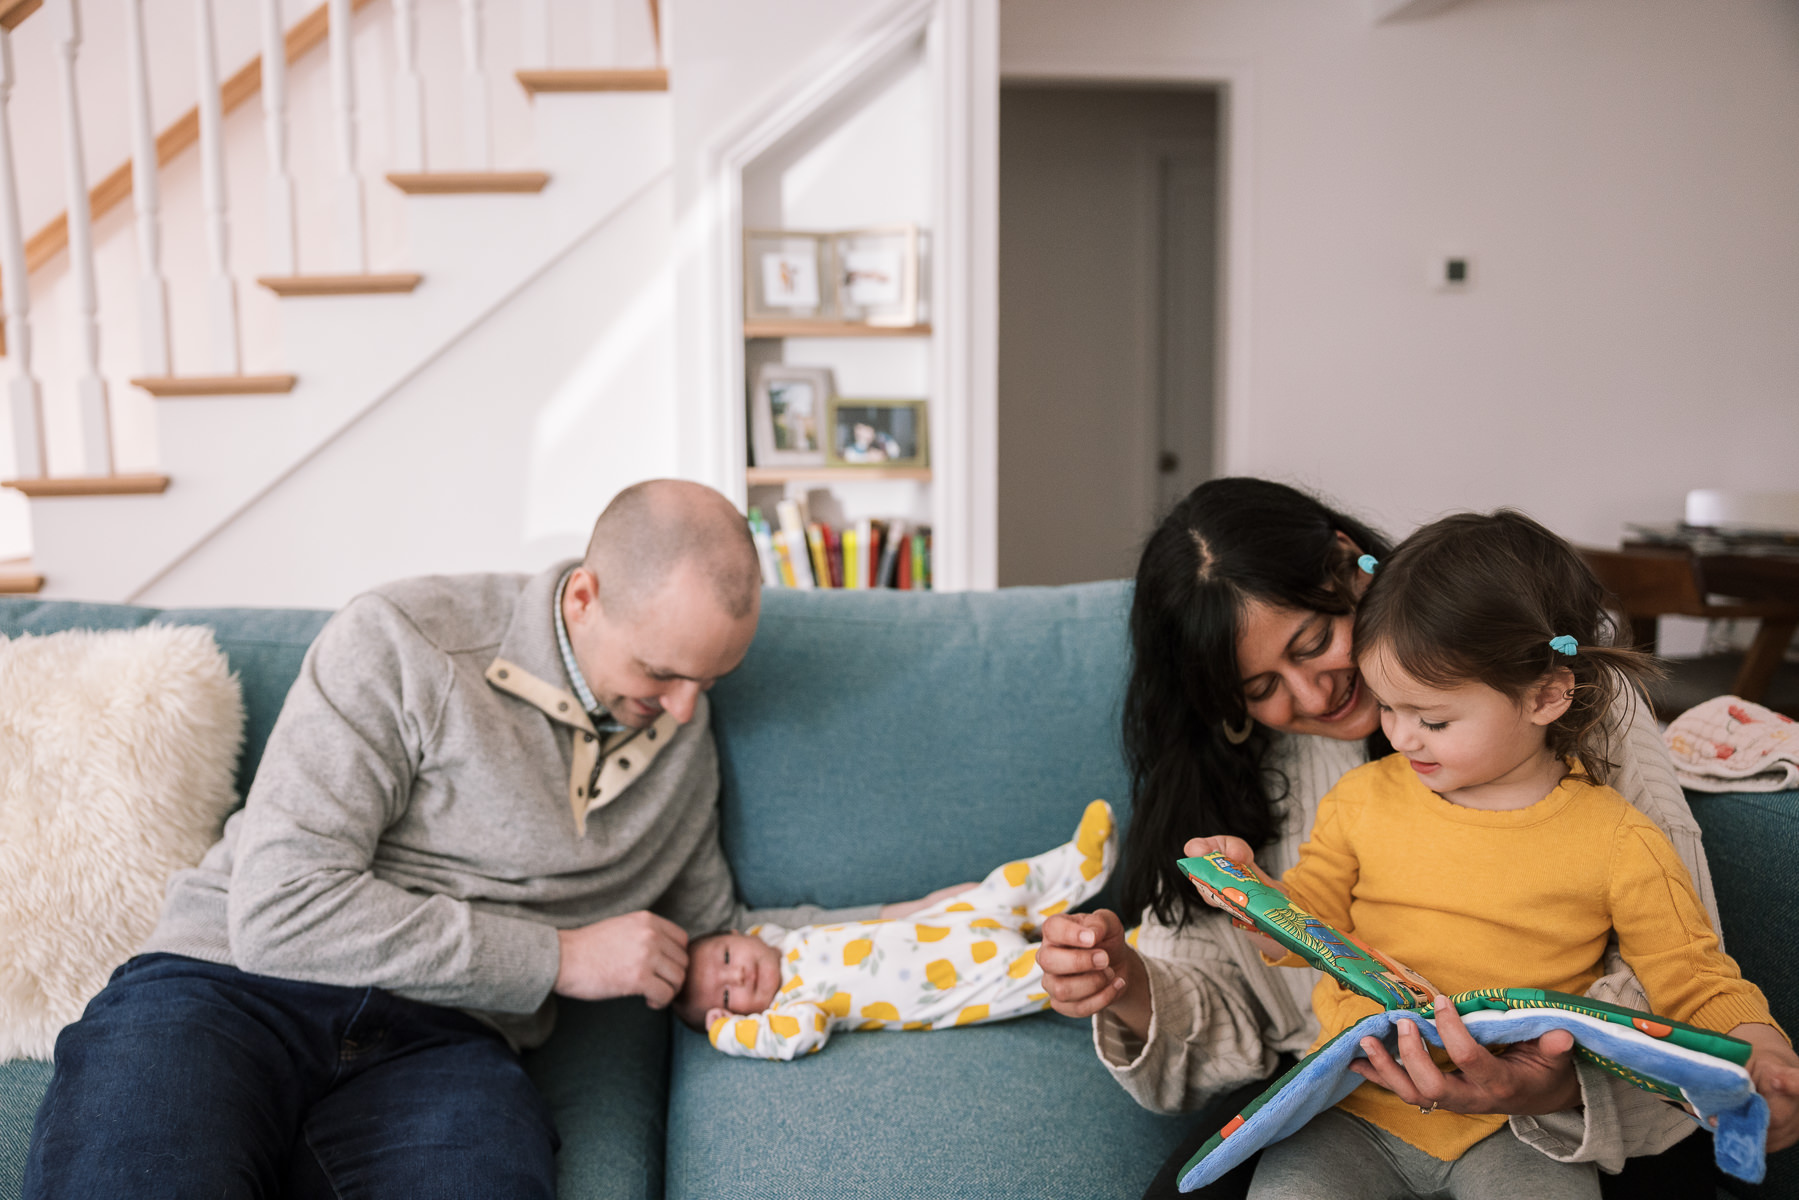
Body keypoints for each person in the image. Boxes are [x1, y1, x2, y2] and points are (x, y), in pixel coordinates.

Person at [22, 479, 831, 1199]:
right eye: (661, 672)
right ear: (584, 597)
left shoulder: (679, 731)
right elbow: (278, 911)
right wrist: (560, 957)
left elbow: (716, 929)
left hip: (445, 1041)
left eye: (710, 681)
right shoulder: (406, 639)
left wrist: (934, 914)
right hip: (230, 986)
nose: (688, 711)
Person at [1035, 477, 1759, 1199]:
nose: (1314, 694)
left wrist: (1543, 1077)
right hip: (1351, 1093)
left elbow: (1676, 961)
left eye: (1314, 641)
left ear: (1350, 563)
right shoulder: (1310, 788)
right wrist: (1127, 981)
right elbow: (1270, 960)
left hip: (1553, 1096)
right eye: (1259, 689)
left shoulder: (1563, 710)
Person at [675, 801, 1115, 1059]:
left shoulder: (790, 938)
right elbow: (798, 1035)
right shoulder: (794, 1004)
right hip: (957, 985)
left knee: (1008, 885)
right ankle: (1125, 952)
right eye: (727, 997)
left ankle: (1076, 864)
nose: (737, 976)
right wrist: (726, 1033)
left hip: (950, 921)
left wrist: (936, 902)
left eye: (726, 959)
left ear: (744, 936)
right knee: (1047, 976)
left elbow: (886, 918)